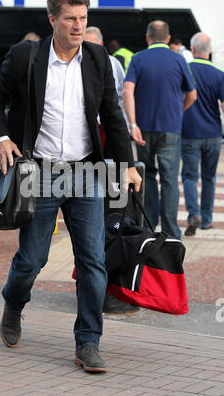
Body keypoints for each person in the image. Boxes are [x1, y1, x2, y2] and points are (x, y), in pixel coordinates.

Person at [0, 0, 142, 373]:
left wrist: (129, 164)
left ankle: (88, 342)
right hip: (37, 172)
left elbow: (112, 116)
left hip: (85, 172)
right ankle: (14, 302)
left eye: (84, 18)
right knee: (32, 260)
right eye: (70, 18)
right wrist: (2, 139)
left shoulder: (98, 58)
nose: (78, 25)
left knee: (93, 260)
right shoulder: (25, 56)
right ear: (52, 19)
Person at [124, 20, 197, 239]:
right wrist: (178, 111)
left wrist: (133, 123)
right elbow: (192, 95)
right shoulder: (179, 59)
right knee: (169, 178)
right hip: (171, 128)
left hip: (143, 129)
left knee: (147, 175)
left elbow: (127, 90)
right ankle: (171, 230)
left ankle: (149, 224)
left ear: (147, 38)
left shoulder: (138, 58)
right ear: (167, 38)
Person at [181, 32, 224, 236]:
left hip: (189, 132)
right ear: (210, 52)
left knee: (190, 176)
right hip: (214, 133)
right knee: (209, 177)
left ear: (193, 49)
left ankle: (193, 215)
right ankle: (206, 219)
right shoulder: (219, 73)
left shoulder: (185, 70)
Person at [83, 26, 128, 128]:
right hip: (84, 123)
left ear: (101, 44)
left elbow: (122, 91)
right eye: (84, 44)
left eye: (92, 44)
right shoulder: (76, 63)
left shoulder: (113, 63)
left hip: (107, 122)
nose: (88, 48)